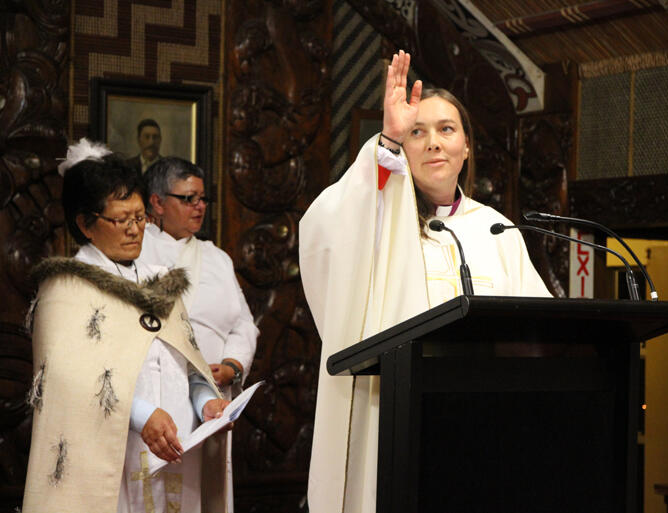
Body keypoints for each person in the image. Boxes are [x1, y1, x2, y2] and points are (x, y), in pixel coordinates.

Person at [299, 51, 551, 512]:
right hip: (396, 415)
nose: (433, 143)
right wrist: (387, 141)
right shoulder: (377, 218)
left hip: (485, 420)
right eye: (418, 132)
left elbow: (541, 329)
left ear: (467, 147)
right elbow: (323, 230)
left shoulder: (496, 229)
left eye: (446, 129)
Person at [22, 139, 230, 513]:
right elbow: (71, 383)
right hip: (110, 465)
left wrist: (207, 404)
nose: (135, 230)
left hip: (178, 454)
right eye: (121, 220)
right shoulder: (67, 290)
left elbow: (190, 369)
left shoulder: (161, 281)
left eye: (139, 217)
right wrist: (142, 416)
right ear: (85, 223)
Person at [139, 156, 259, 513]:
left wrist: (232, 365)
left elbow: (243, 324)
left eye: (203, 198)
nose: (200, 206)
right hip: (159, 397)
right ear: (158, 202)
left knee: (205, 494)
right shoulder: (136, 251)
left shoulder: (217, 258)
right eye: (189, 198)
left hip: (212, 399)